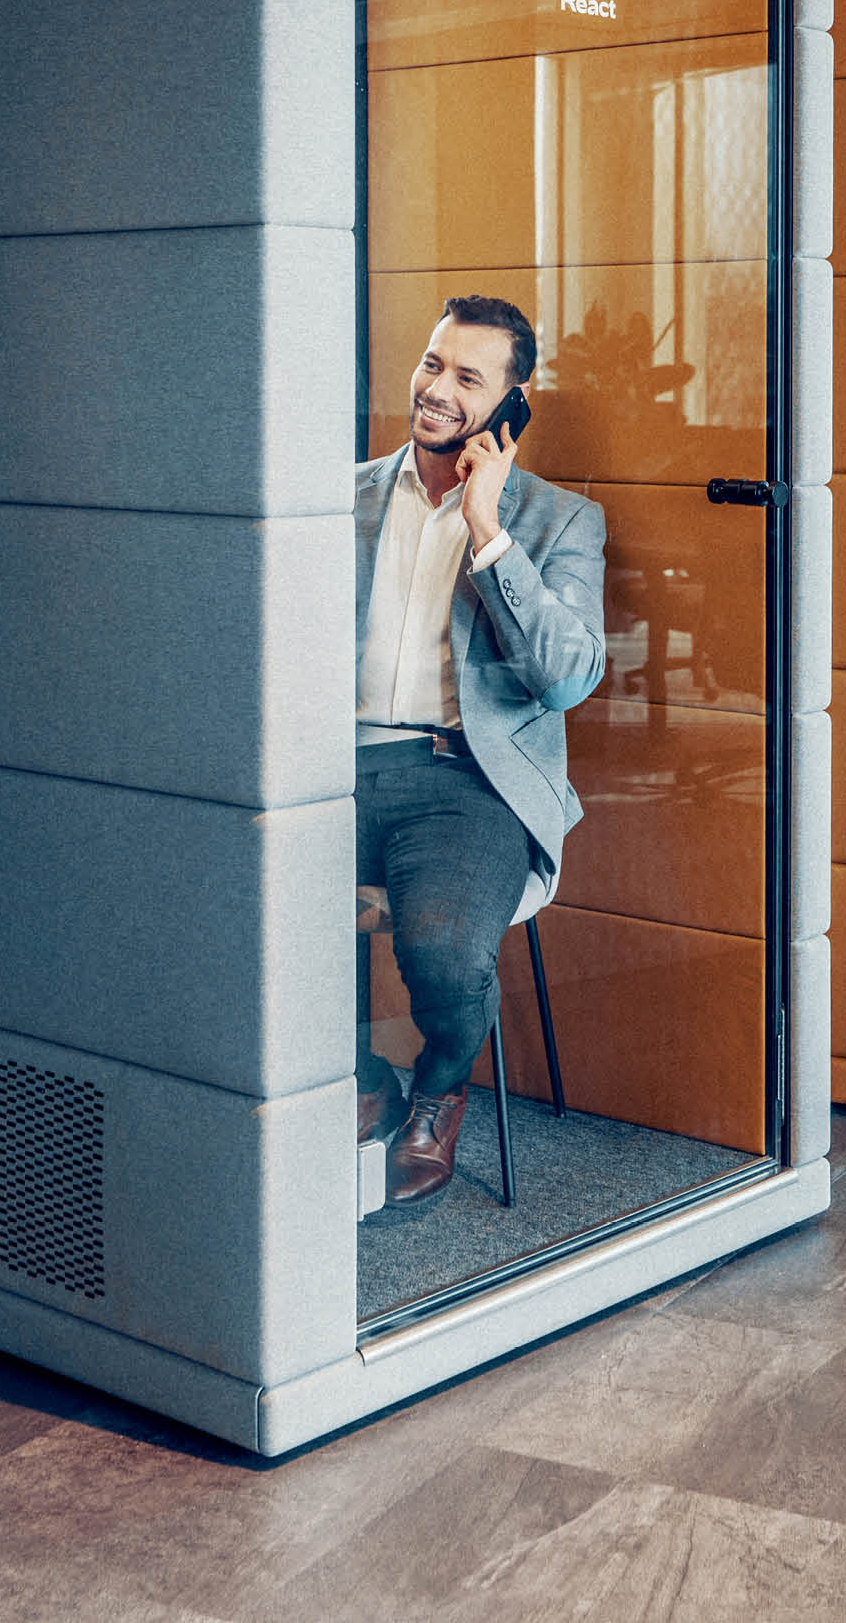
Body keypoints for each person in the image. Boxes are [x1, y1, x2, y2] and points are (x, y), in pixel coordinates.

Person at [356, 295, 606, 1215]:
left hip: (466, 779)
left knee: (443, 949)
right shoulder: (340, 495)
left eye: (468, 378)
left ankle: (438, 1091)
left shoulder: (558, 522)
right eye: (432, 365)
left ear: (511, 402)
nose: (436, 390)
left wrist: (488, 528)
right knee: (226, 906)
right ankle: (362, 1079)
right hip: (334, 771)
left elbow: (567, 677)